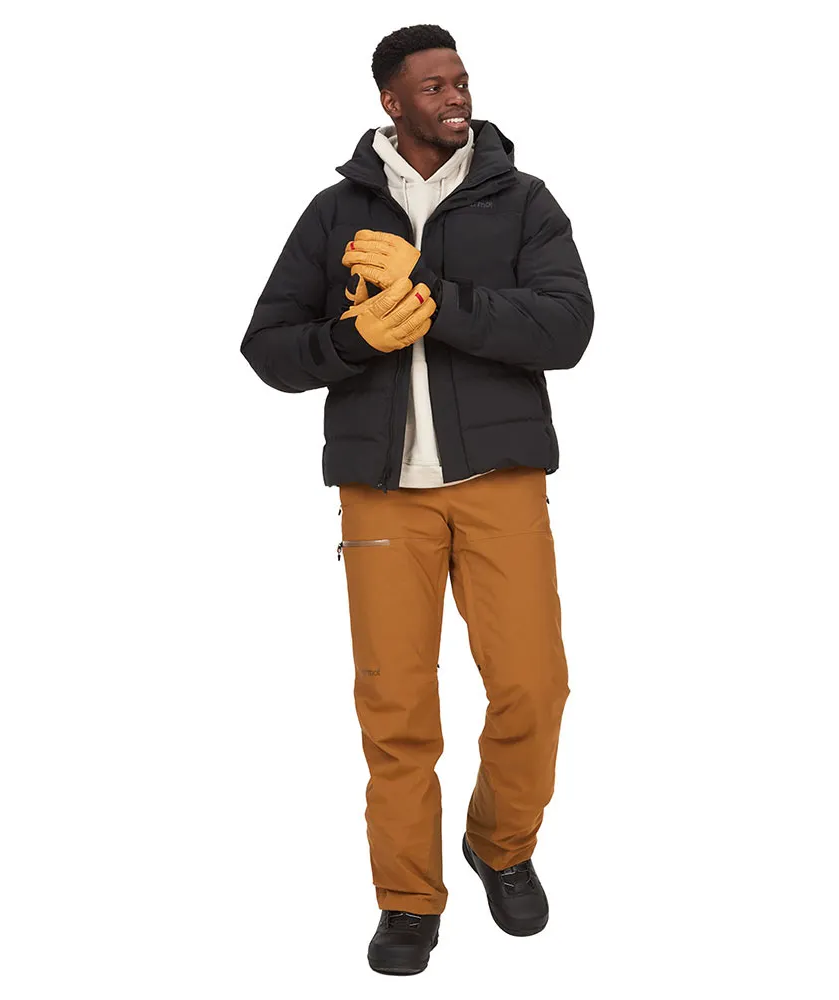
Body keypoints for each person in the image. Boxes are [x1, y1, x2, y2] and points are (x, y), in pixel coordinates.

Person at [240, 23, 594, 976]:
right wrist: (354, 341)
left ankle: (500, 845)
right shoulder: (334, 214)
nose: (455, 95)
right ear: (390, 102)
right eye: (432, 85)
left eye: (461, 79)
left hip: (501, 485)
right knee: (395, 706)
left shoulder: (523, 201)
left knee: (533, 687)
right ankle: (406, 899)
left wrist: (431, 293)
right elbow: (267, 345)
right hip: (382, 498)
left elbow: (567, 328)